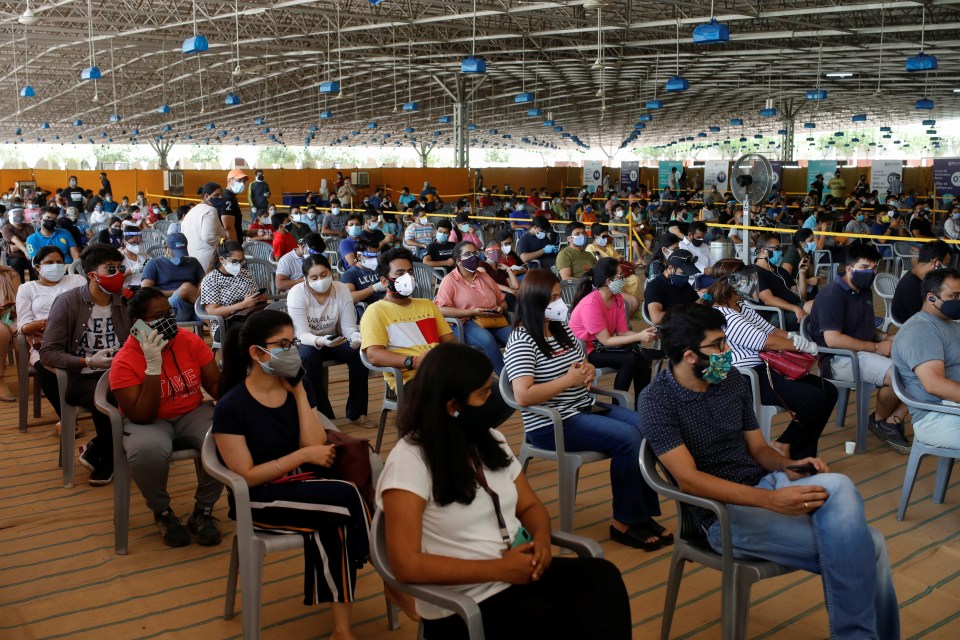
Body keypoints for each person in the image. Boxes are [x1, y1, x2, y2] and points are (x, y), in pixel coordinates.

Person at [637, 303, 900, 640]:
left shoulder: (730, 380)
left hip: (764, 484)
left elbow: (760, 450)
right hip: (720, 516)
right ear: (689, 355)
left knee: (839, 484)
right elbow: (689, 480)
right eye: (718, 345)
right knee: (872, 544)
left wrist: (790, 466)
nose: (727, 350)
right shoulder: (657, 400)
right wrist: (770, 501)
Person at [377, 342, 631, 640]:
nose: (496, 399)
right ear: (452, 406)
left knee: (602, 579)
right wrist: (499, 569)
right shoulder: (409, 461)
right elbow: (406, 565)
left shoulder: (488, 439)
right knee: (551, 621)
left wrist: (541, 542)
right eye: (485, 393)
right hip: (464, 597)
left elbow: (531, 507)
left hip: (518, 571)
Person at [213, 310, 371, 640]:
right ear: (257, 353)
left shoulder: (300, 386)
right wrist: (300, 456)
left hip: (305, 489)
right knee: (346, 495)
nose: (292, 352)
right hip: (258, 499)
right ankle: (383, 563)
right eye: (282, 345)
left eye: (293, 343)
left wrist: (299, 393)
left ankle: (342, 630)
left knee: (337, 519)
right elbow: (247, 475)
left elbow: (315, 444)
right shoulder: (231, 406)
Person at [503, 269, 669, 549]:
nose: (560, 305)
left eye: (559, 297)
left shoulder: (562, 330)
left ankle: (642, 513)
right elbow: (523, 396)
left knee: (646, 425)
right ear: (534, 303)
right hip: (551, 424)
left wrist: (588, 370)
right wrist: (568, 380)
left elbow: (582, 364)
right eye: (552, 299)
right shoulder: (522, 340)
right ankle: (625, 521)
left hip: (583, 407)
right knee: (629, 439)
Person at [109, 287, 223, 547]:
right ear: (138, 324)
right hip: (149, 421)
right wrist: (153, 367)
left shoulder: (189, 341)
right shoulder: (125, 361)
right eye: (159, 316)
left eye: (169, 313)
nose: (169, 321)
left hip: (191, 411)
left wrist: (235, 371)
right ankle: (163, 512)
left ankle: (203, 511)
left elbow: (215, 386)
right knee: (145, 449)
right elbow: (142, 415)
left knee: (223, 435)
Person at [703, 260, 838, 459]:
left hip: (767, 367)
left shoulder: (742, 307)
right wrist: (802, 346)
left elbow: (772, 330)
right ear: (734, 283)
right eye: (748, 279)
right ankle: (786, 445)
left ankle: (797, 451)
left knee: (829, 391)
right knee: (814, 399)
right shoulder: (723, 315)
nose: (753, 283)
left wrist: (793, 337)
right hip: (749, 378)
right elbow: (765, 342)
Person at [39, 243, 132, 485]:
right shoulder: (68, 302)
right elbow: (48, 353)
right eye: (110, 269)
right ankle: (109, 458)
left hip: (123, 371)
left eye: (120, 268)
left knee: (151, 387)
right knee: (112, 394)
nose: (118, 274)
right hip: (83, 376)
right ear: (92, 275)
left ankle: (98, 449)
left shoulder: (126, 300)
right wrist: (89, 360)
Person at [807, 243, 910, 453]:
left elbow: (867, 330)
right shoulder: (831, 295)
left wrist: (888, 337)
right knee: (901, 374)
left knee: (914, 367)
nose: (870, 273)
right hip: (838, 360)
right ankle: (882, 421)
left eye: (874, 268)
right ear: (849, 269)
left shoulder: (864, 292)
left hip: (860, 353)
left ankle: (887, 420)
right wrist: (876, 347)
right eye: (864, 267)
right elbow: (834, 339)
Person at [360, 247, 456, 392]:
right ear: (385, 281)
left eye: (410, 272)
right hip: (410, 378)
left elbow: (450, 342)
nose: (408, 278)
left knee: (490, 391)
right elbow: (374, 355)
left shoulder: (427, 305)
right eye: (400, 274)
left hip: (441, 371)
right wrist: (414, 362)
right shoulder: (376, 311)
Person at [287, 254, 367, 424]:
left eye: (324, 275)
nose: (320, 280)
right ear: (305, 279)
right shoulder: (297, 293)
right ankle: (323, 416)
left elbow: (347, 326)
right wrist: (321, 341)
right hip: (308, 343)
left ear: (330, 272)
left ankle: (357, 412)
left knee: (359, 353)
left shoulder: (341, 289)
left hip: (334, 340)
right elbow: (301, 334)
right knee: (309, 356)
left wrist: (354, 336)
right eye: (314, 277)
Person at [569, 258, 657, 405]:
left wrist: (643, 334)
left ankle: (641, 406)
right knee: (629, 359)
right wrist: (639, 336)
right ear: (609, 281)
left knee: (643, 359)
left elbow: (622, 332)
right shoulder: (591, 304)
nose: (624, 279)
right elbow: (606, 340)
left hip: (602, 346)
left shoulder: (617, 299)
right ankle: (618, 405)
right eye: (621, 276)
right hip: (585, 352)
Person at [893, 268, 960, 451]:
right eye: (954, 296)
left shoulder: (949, 324)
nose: (958, 301)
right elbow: (934, 384)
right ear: (931, 297)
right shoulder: (920, 330)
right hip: (938, 416)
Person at [16, 246, 87, 413]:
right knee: (46, 369)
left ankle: (81, 407)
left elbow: (87, 310)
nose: (55, 266)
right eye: (49, 262)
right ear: (38, 266)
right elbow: (23, 325)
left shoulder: (76, 281)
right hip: (45, 343)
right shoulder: (27, 288)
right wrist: (45, 323)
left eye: (59, 262)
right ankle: (66, 416)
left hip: (80, 339)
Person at [434, 242, 511, 374]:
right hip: (466, 322)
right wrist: (471, 311)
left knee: (515, 336)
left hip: (492, 319)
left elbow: (502, 300)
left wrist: (501, 309)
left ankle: (523, 373)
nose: (473, 257)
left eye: (475, 253)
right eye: (468, 254)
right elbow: (441, 310)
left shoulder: (484, 276)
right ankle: (507, 381)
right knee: (487, 341)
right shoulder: (450, 280)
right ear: (458, 261)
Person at [199, 240, 268, 336]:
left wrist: (259, 298)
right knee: (255, 329)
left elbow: (252, 297)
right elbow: (212, 312)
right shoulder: (211, 280)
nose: (239, 265)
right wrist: (243, 305)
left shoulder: (245, 273)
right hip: (225, 323)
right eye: (234, 261)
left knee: (276, 321)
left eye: (241, 261)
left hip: (249, 314)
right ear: (222, 260)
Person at [140, 232, 206, 323]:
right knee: (187, 288)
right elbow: (145, 291)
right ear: (165, 248)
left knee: (213, 315)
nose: (179, 256)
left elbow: (205, 284)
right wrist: (179, 292)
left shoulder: (192, 262)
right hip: (170, 308)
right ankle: (211, 315)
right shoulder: (154, 264)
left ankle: (216, 327)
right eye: (175, 252)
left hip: (193, 304)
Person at [753, 233, 811, 331]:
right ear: (764, 250)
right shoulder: (755, 272)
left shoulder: (781, 271)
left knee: (817, 306)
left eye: (780, 249)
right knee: (817, 318)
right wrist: (795, 308)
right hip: (777, 315)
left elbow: (801, 296)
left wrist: (802, 273)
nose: (779, 252)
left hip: (793, 308)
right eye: (776, 248)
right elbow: (768, 300)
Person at [892, 240, 951, 325]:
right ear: (935, 262)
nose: (946, 270)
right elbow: (923, 319)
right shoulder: (911, 287)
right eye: (946, 266)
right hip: (911, 321)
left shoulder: (920, 274)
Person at [643, 249, 700, 325]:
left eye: (688, 273)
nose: (686, 276)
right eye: (683, 273)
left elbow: (697, 302)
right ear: (670, 268)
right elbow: (656, 318)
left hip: (690, 323)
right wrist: (686, 312)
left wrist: (708, 296)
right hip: (673, 328)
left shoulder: (684, 284)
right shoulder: (655, 286)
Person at [181, 182, 227, 271]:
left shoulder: (192, 211)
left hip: (191, 256)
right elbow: (208, 237)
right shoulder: (210, 210)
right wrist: (222, 243)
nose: (220, 198)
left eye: (221, 195)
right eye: (217, 195)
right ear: (206, 196)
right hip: (207, 257)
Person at [340, 238, 387, 306]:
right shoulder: (349, 274)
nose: (375, 260)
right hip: (370, 309)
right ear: (359, 256)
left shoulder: (380, 269)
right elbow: (348, 297)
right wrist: (374, 288)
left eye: (377, 256)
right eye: (371, 257)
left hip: (387, 303)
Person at [2, 208, 35, 281]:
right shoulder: (6, 228)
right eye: (16, 214)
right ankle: (20, 287)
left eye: (20, 213)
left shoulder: (29, 227)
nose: (18, 215)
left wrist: (17, 247)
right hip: (14, 256)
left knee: (34, 264)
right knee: (17, 263)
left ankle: (34, 287)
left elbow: (32, 240)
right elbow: (15, 239)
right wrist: (26, 251)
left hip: (29, 255)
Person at [218, 168, 249, 242]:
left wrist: (243, 233)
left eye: (244, 181)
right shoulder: (227, 199)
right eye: (239, 181)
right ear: (229, 181)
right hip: (231, 246)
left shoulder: (232, 198)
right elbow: (228, 227)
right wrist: (235, 249)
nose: (242, 184)